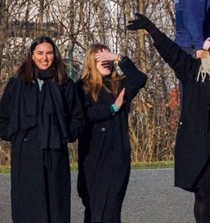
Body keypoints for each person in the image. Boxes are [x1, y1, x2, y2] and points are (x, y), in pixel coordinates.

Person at [126, 14, 210, 223]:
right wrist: (151, 29)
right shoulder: (194, 70)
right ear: (209, 52)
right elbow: (171, 53)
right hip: (200, 145)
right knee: (203, 193)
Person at [0, 36, 86, 222]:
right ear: (32, 56)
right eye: (40, 53)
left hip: (55, 152)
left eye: (49, 53)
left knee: (56, 205)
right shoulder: (17, 84)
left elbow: (78, 117)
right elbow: (3, 117)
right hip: (26, 154)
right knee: (27, 207)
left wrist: (65, 135)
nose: (44, 58)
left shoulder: (64, 83)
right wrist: (16, 135)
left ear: (55, 55)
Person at [76, 44, 148, 222]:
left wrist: (119, 58)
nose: (106, 62)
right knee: (92, 206)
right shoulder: (81, 87)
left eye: (108, 58)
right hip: (92, 154)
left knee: (111, 208)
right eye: (101, 58)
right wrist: (113, 108)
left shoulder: (120, 84)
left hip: (117, 153)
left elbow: (140, 79)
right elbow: (84, 115)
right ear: (91, 62)